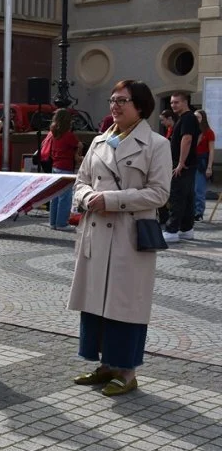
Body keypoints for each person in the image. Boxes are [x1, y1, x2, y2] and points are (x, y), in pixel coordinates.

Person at [68, 80, 171, 396]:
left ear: (140, 106)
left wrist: (111, 200)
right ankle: (105, 366)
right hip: (96, 235)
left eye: (122, 100)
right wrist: (88, 198)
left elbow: (159, 193)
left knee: (126, 306)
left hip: (128, 238)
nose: (115, 105)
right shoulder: (99, 141)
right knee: (96, 304)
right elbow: (80, 182)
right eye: (113, 99)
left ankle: (126, 373)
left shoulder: (156, 144)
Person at [163, 92, 200, 243]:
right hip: (187, 164)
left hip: (182, 165)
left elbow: (187, 139)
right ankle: (186, 229)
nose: (173, 105)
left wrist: (180, 162)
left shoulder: (188, 118)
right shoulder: (187, 118)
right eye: (172, 103)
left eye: (176, 102)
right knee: (187, 197)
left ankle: (172, 230)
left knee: (177, 196)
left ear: (185, 102)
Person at [41, 108, 83, 231]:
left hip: (55, 166)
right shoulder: (68, 135)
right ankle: (62, 223)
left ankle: (53, 222)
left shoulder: (53, 133)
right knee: (65, 197)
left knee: (55, 196)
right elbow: (78, 145)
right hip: (65, 167)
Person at [194, 109, 215, 221]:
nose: (196, 119)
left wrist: (209, 167)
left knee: (199, 189)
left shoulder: (208, 132)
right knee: (191, 189)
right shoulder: (192, 130)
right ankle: (191, 212)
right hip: (191, 162)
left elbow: (211, 151)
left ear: (203, 118)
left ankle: (199, 212)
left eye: (198, 117)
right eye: (195, 117)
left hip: (202, 162)